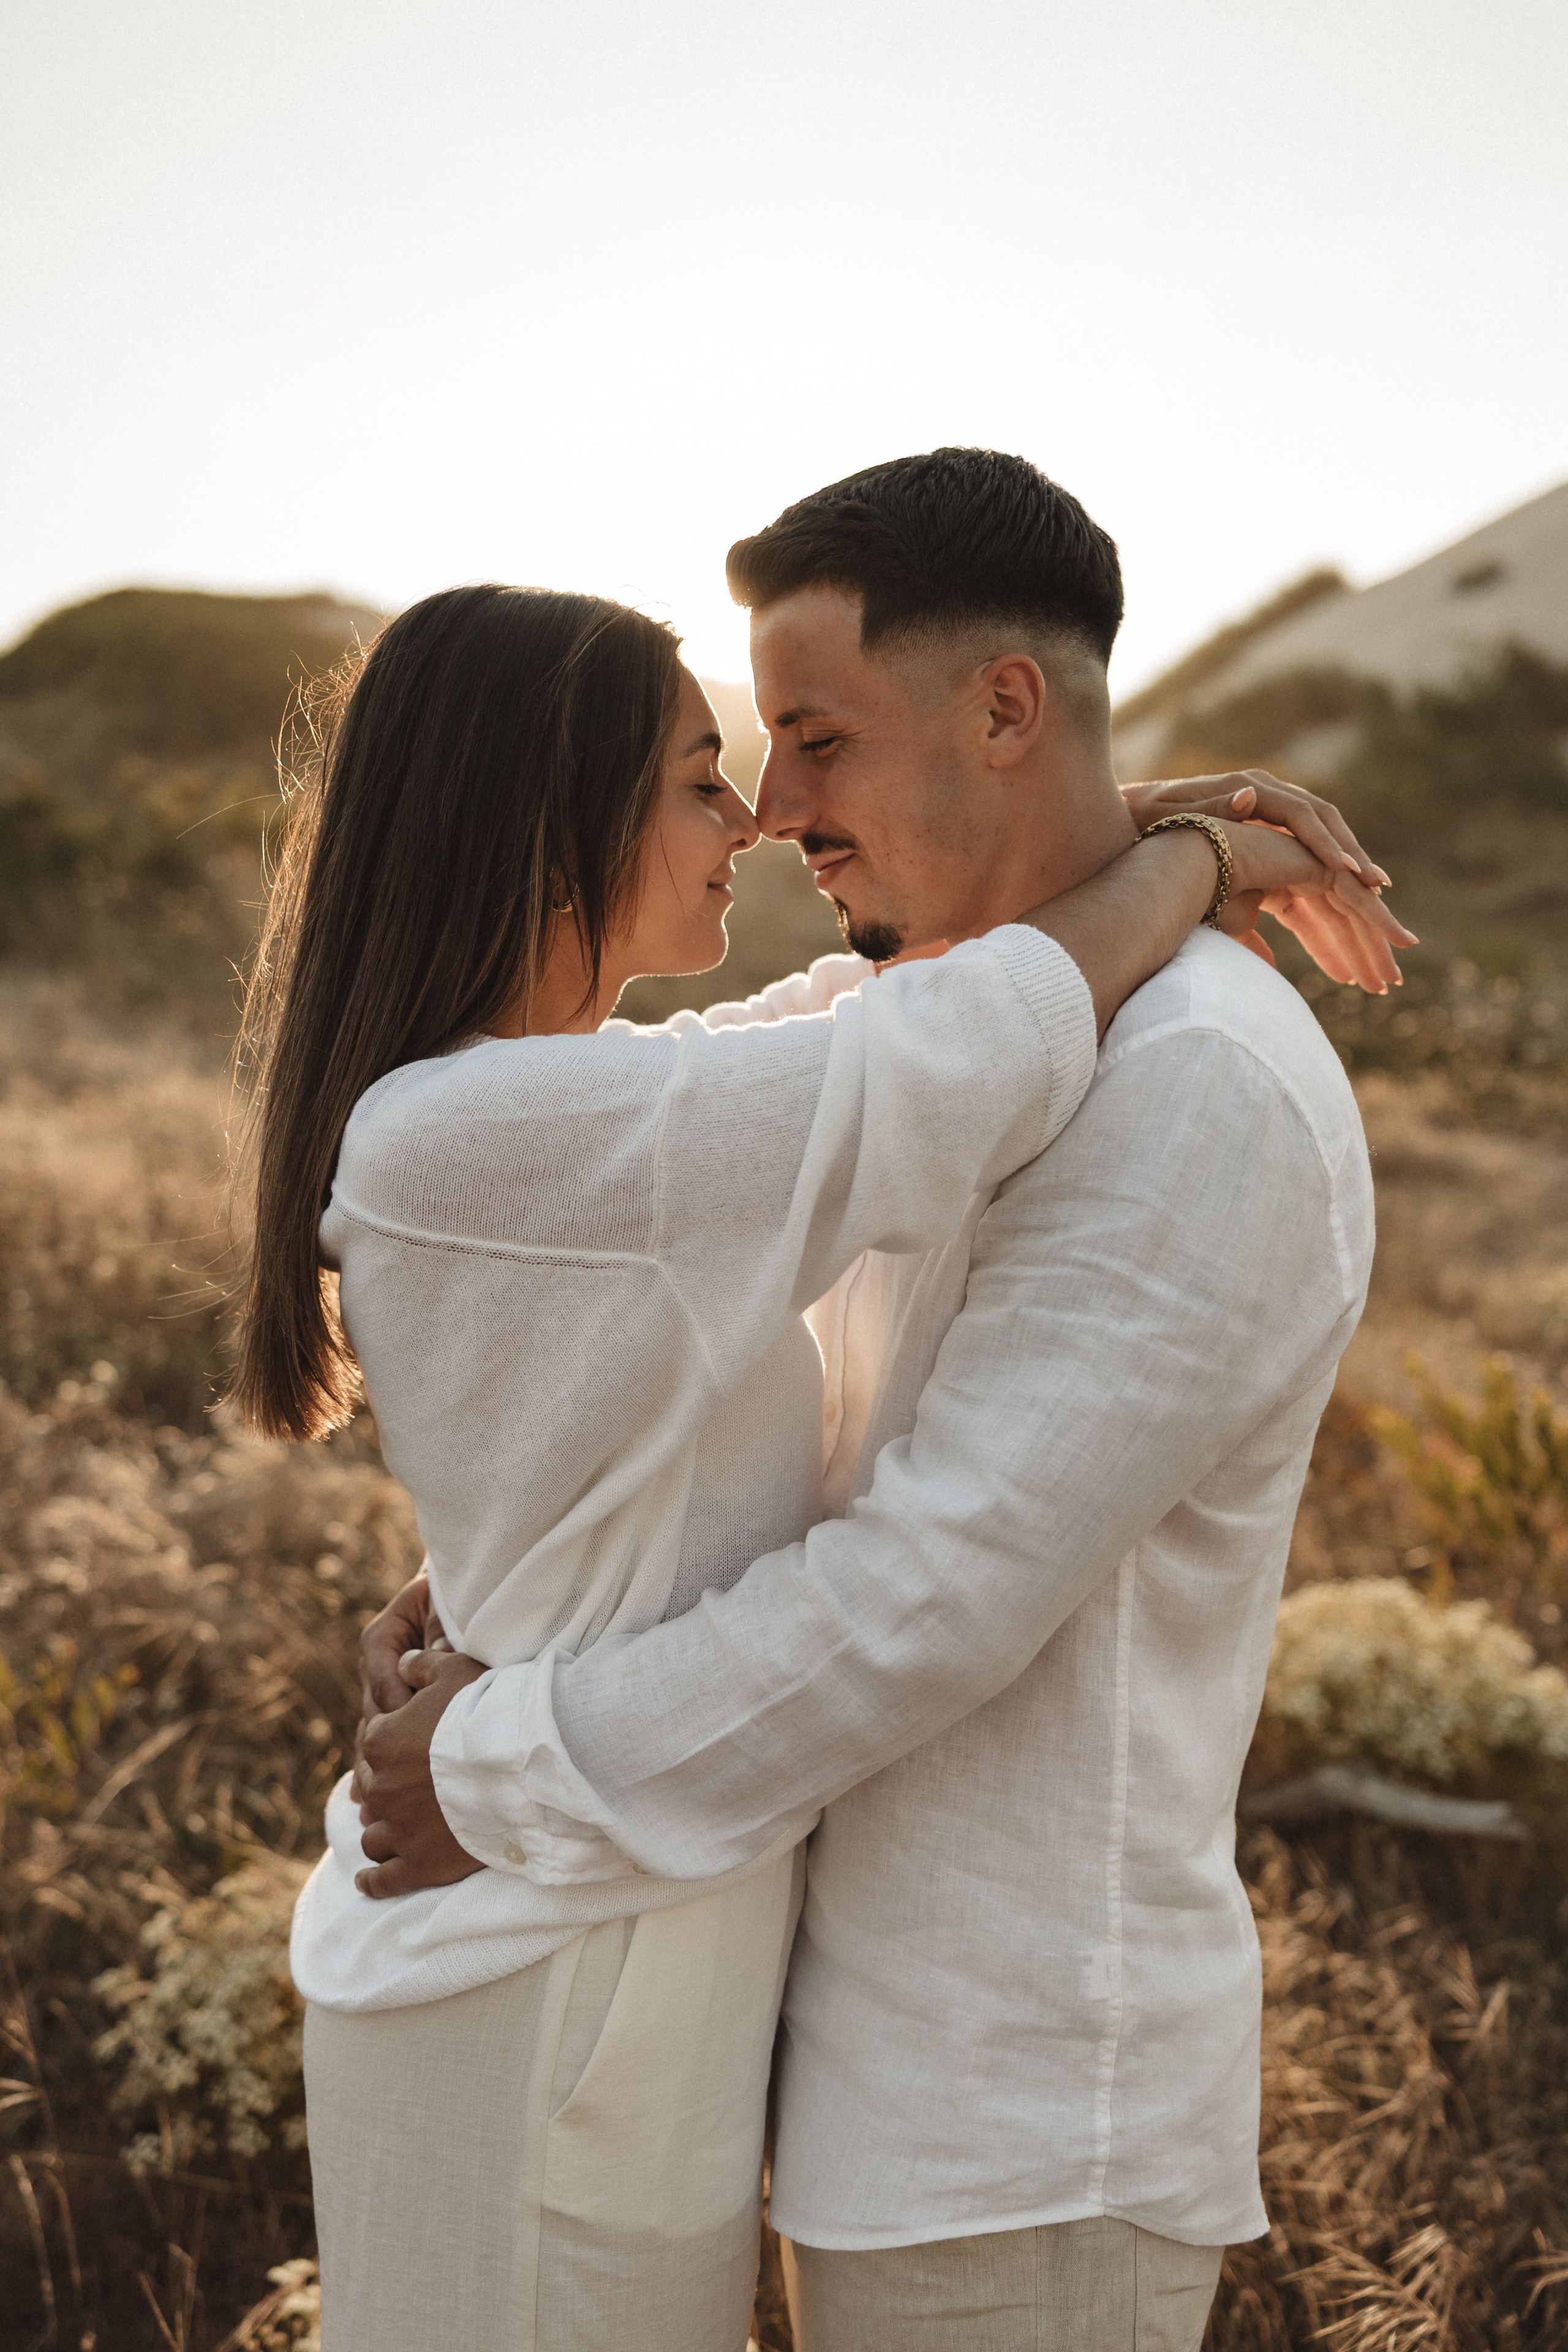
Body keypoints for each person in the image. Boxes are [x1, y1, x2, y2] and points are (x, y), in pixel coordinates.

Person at [355, 454, 1408, 2352]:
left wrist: (498, 1761)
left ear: (1005, 709)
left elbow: (925, 1598)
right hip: (854, 2088)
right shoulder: (943, 1032)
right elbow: (784, 1264)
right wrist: (551, 1576)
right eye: (752, 757)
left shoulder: (1192, 1081)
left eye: (818, 742)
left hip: (1021, 2126)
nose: (775, 813)